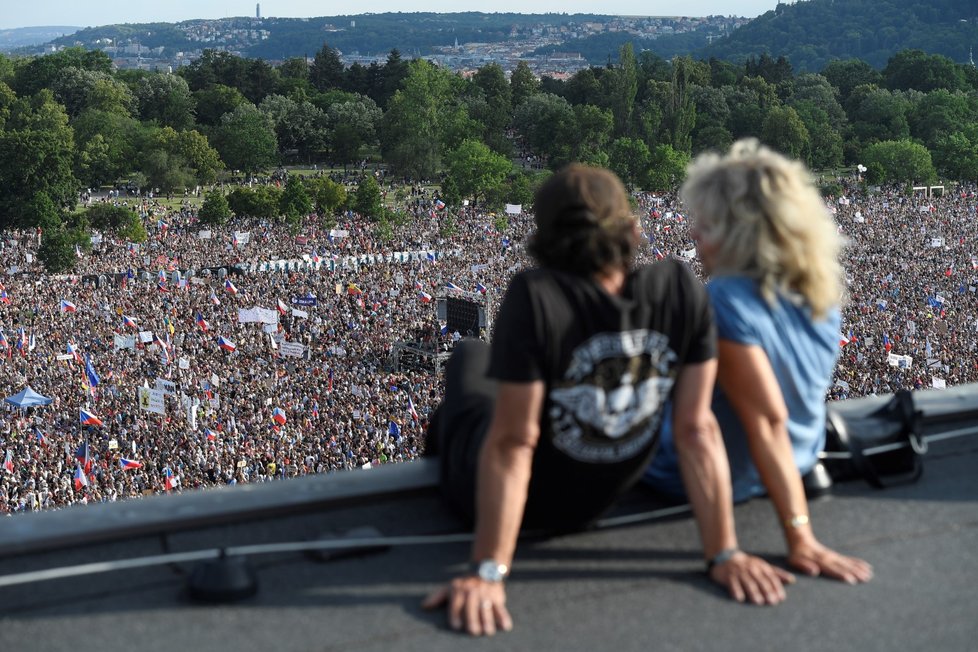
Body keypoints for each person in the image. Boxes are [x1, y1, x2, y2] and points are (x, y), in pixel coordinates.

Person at [422, 164, 793, 637]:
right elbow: (697, 430)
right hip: (604, 495)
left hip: (515, 502)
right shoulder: (679, 287)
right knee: (485, 386)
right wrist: (725, 553)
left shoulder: (534, 297)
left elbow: (515, 443)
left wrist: (489, 571)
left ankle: (436, 453)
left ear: (543, 240)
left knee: (470, 356)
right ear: (633, 229)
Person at [644, 139, 873, 584]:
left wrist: (794, 540)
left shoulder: (724, 301)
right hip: (799, 462)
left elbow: (767, 421)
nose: (693, 234)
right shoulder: (819, 294)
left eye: (706, 224)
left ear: (741, 233)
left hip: (712, 477)